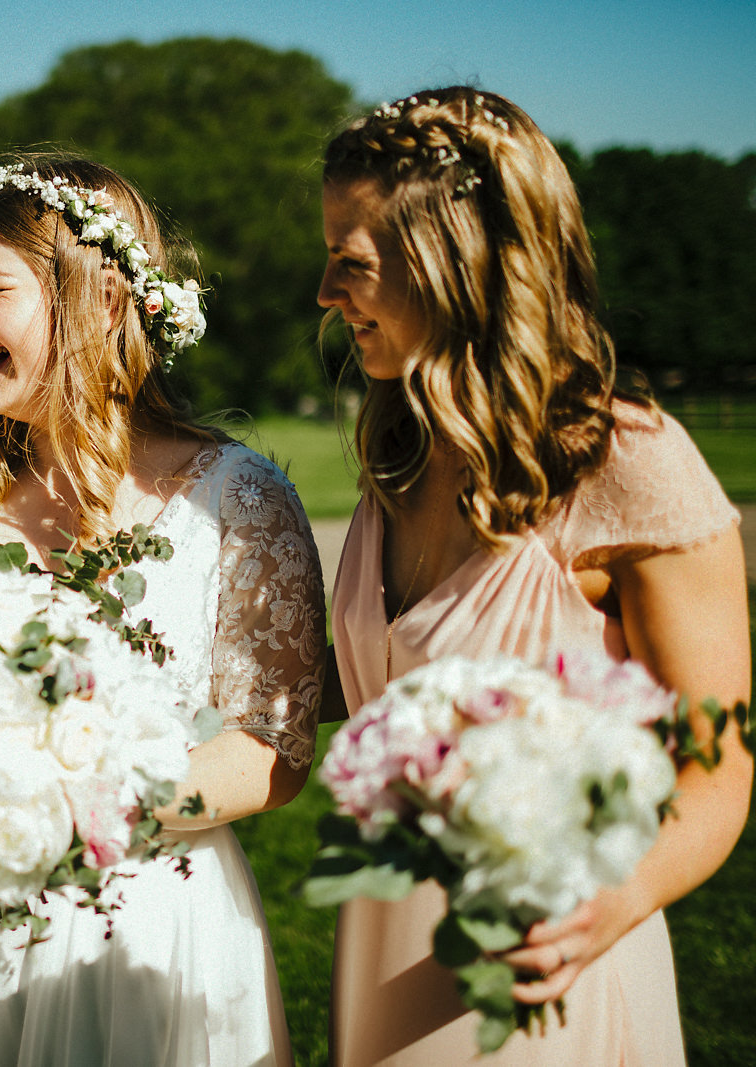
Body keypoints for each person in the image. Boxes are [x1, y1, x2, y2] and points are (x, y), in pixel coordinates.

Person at [0, 155, 325, 1067]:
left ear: (101, 299)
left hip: (150, 922)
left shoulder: (234, 496)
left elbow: (273, 748)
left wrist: (76, 810)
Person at [318, 87, 751, 1066]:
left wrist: (610, 899)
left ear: (457, 262)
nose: (323, 293)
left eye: (350, 262)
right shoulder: (398, 450)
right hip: (380, 953)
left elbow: (717, 764)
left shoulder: (626, 459)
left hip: (545, 971)